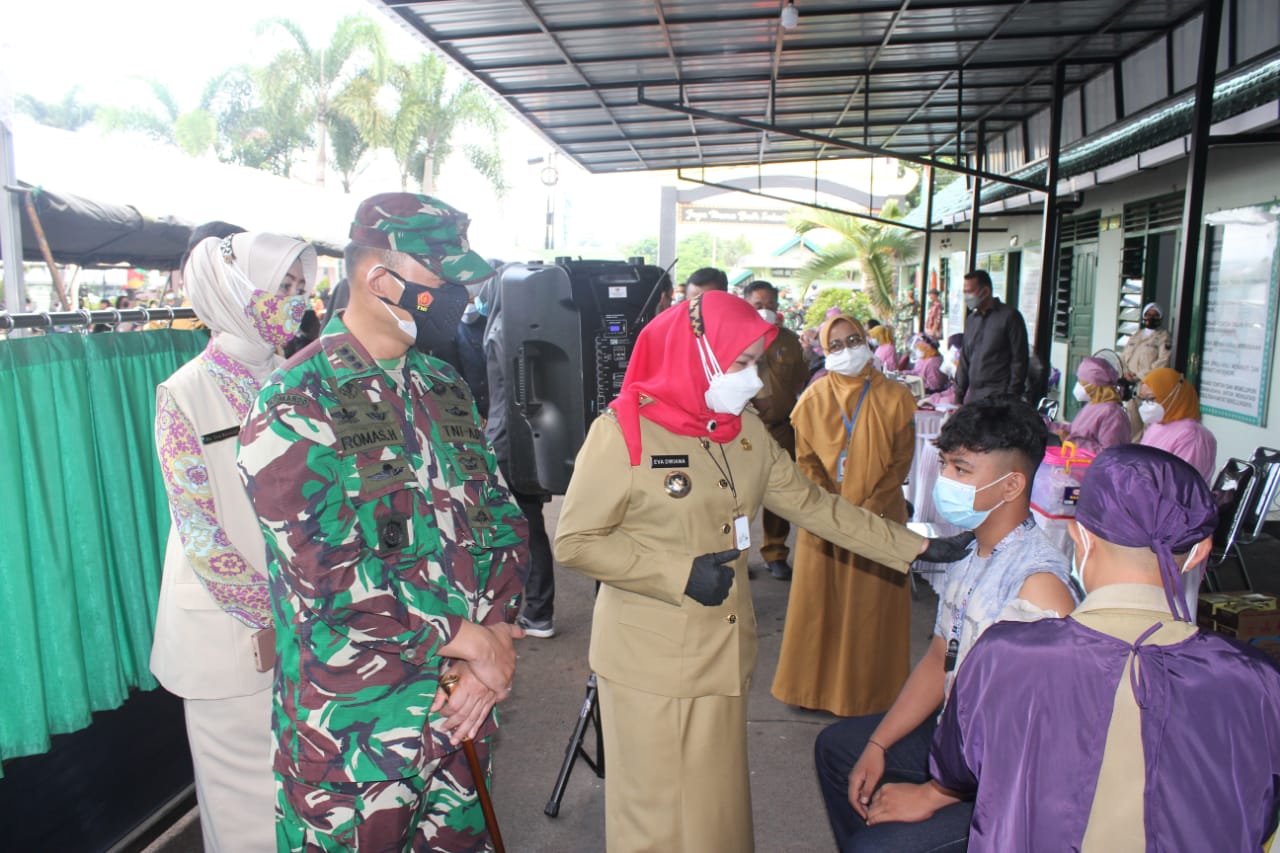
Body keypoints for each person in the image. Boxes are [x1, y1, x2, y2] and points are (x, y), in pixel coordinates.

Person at [553, 291, 974, 853]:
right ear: (697, 354)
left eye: (758, 363)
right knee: (655, 819)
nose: (754, 379)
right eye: (740, 364)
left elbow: (815, 507)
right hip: (648, 660)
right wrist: (676, 573)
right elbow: (576, 540)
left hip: (722, 652)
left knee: (714, 812)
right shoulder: (624, 431)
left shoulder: (743, 431)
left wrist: (914, 548)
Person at [236, 192, 530, 852]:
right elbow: (327, 576)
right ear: (379, 279)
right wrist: (465, 640)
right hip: (351, 744)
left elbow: (502, 522)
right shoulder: (295, 398)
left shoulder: (442, 385)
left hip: (457, 721)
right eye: (443, 282)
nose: (459, 297)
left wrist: (497, 639)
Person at [930, 444, 1280, 853]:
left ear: (1080, 539)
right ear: (1199, 553)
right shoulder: (1257, 680)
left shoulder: (1003, 655)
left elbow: (954, 770)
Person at [814, 397, 1077, 853]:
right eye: (944, 464)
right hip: (961, 735)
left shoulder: (1038, 585)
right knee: (841, 749)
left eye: (962, 469)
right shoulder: (973, 551)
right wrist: (879, 744)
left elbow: (1031, 734)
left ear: (1012, 484)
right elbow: (941, 658)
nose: (945, 480)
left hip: (1008, 779)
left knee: (881, 848)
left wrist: (935, 795)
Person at [151, 231, 317, 853]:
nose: (297, 305)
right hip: (230, 638)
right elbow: (199, 529)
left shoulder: (297, 377)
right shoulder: (183, 393)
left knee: (306, 798)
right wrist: (277, 613)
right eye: (285, 289)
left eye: (302, 290)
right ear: (239, 292)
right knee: (243, 817)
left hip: (308, 627)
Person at [772, 314, 916, 715]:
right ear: (823, 350)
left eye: (854, 339)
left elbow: (902, 459)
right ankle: (814, 691)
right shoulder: (812, 401)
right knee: (822, 609)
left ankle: (870, 693)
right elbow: (806, 464)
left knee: (873, 609)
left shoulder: (895, 397)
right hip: (826, 522)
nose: (848, 349)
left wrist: (870, 506)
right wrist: (833, 510)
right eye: (836, 345)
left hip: (880, 515)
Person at [476, 268, 559, 639]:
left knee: (522, 529)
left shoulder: (500, 331)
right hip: (523, 440)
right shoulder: (532, 329)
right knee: (529, 525)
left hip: (506, 443)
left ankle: (538, 611)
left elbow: (509, 397)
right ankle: (537, 609)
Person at [743, 280, 810, 580]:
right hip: (742, 430)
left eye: (770, 304)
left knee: (781, 493)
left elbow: (799, 380)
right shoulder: (731, 338)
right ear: (746, 305)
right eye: (758, 305)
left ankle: (775, 552)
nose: (765, 310)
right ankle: (734, 556)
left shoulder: (789, 341)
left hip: (782, 429)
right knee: (738, 497)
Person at [953, 270, 1029, 404]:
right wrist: (958, 396)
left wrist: (1011, 396)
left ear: (986, 291)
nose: (966, 296)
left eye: (970, 291)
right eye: (964, 292)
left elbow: (1020, 360)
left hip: (999, 397)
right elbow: (964, 359)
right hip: (974, 396)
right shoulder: (971, 320)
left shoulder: (1010, 317)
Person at [1137, 367, 1217, 484]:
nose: (1145, 405)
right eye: (1143, 399)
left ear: (1173, 396)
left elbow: (1180, 485)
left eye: (1151, 399)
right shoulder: (1157, 426)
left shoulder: (1192, 436)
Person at [1120, 301, 1172, 439]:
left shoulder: (1163, 337)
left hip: (1149, 386)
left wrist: (1139, 375)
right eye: (1148, 314)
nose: (1151, 317)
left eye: (1155, 315)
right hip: (1131, 386)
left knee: (1149, 425)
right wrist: (1125, 373)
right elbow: (1124, 356)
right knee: (1133, 423)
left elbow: (1163, 361)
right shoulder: (1137, 335)